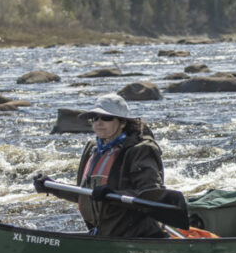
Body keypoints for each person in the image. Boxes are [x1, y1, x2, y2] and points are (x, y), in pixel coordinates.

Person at [34, 93, 169, 237]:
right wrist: (52, 187)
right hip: (105, 234)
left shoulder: (141, 150)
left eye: (106, 118)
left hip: (137, 235)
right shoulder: (93, 149)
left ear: (122, 123)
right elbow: (84, 195)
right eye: (95, 118)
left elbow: (151, 195)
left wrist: (113, 195)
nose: (99, 123)